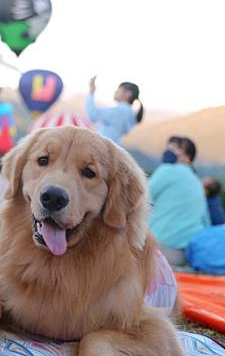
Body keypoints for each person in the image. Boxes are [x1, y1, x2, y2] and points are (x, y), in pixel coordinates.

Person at [148, 136, 210, 266]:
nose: (167, 152)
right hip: (188, 254)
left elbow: (138, 198)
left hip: (159, 250)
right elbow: (206, 222)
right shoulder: (198, 182)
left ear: (187, 158)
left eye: (174, 149)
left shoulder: (168, 170)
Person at [85, 76, 144, 145]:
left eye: (119, 89)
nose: (115, 91)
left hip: (104, 146)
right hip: (111, 147)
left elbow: (93, 114)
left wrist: (91, 92)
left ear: (128, 94)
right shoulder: (129, 112)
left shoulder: (122, 111)